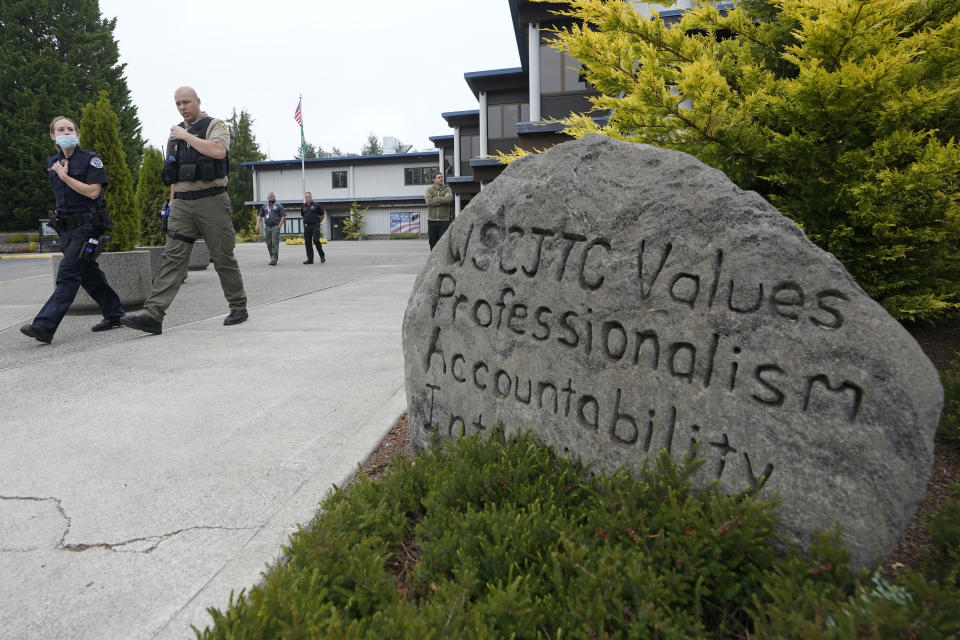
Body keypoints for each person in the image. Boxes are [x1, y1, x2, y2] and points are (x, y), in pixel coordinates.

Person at [121, 86, 248, 335]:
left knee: (222, 256)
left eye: (186, 102)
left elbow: (218, 151)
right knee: (172, 258)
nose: (182, 107)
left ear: (198, 101)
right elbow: (174, 173)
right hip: (181, 203)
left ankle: (238, 306)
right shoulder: (174, 136)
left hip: (211, 200)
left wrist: (185, 136)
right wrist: (171, 203)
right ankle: (153, 315)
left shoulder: (215, 125)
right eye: (178, 103)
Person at [20, 116, 125, 344]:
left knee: (68, 275)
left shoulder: (90, 159)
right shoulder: (53, 161)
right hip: (67, 229)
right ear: (53, 136)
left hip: (87, 227)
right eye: (60, 129)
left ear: (77, 133)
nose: (66, 132)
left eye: (70, 129)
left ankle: (44, 326)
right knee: (88, 274)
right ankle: (115, 314)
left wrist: (65, 177)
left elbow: (93, 193)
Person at [425, 171, 454, 250]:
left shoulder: (447, 189)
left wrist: (436, 199)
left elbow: (449, 200)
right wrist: (443, 199)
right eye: (439, 177)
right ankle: (434, 260)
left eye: (442, 177)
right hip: (432, 220)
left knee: (443, 243)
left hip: (444, 221)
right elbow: (429, 202)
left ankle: (443, 261)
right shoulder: (429, 190)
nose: (441, 179)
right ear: (434, 180)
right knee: (432, 242)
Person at [257, 192, 286, 265]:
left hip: (275, 226)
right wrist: (257, 225)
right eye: (271, 196)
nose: (273, 197)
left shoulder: (279, 206)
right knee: (269, 243)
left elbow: (283, 216)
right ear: (268, 198)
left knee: (274, 242)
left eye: (274, 196)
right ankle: (272, 257)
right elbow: (260, 215)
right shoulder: (264, 206)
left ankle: (274, 259)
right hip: (267, 227)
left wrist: (279, 226)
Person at [300, 191, 326, 264]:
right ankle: (310, 259)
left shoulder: (316, 205)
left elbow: (322, 215)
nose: (307, 198)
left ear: (311, 197)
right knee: (307, 243)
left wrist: (318, 222)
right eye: (306, 197)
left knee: (316, 240)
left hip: (315, 225)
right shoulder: (303, 206)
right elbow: (303, 215)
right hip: (307, 226)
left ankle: (322, 255)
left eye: (308, 197)